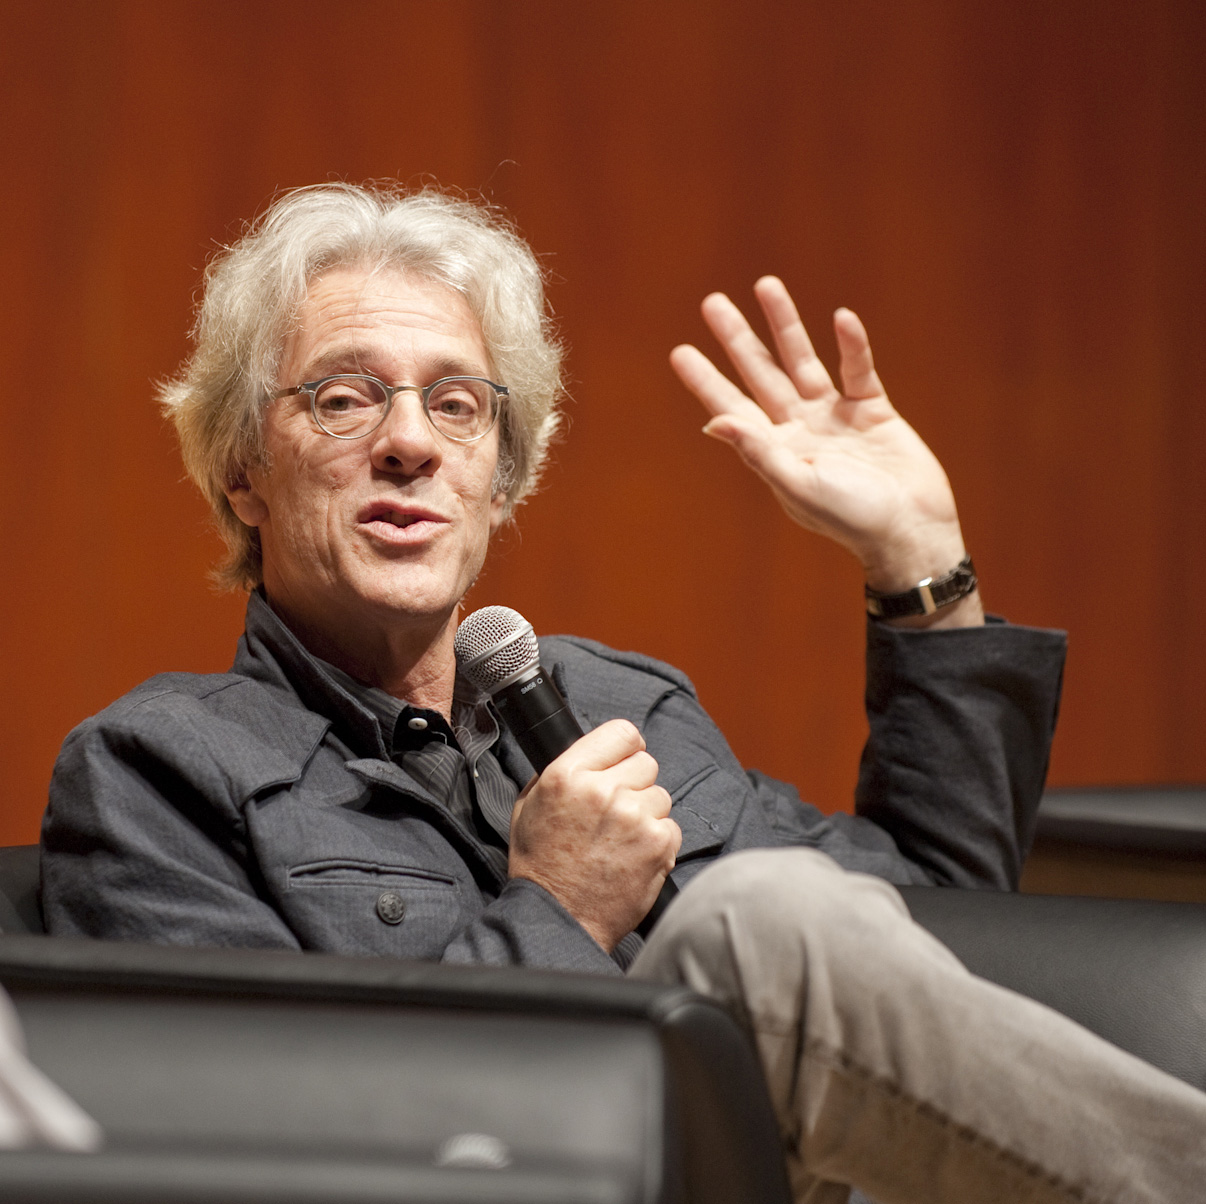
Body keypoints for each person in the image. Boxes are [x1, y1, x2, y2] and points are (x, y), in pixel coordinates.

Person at [40, 183, 1205, 1202]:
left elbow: (929, 946)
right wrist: (557, 910)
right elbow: (252, 1145)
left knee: (798, 913)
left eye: (458, 404)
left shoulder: (620, 703)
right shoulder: (157, 772)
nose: (410, 442)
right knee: (767, 919)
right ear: (244, 468)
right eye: (344, 398)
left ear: (501, 478)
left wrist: (922, 568)